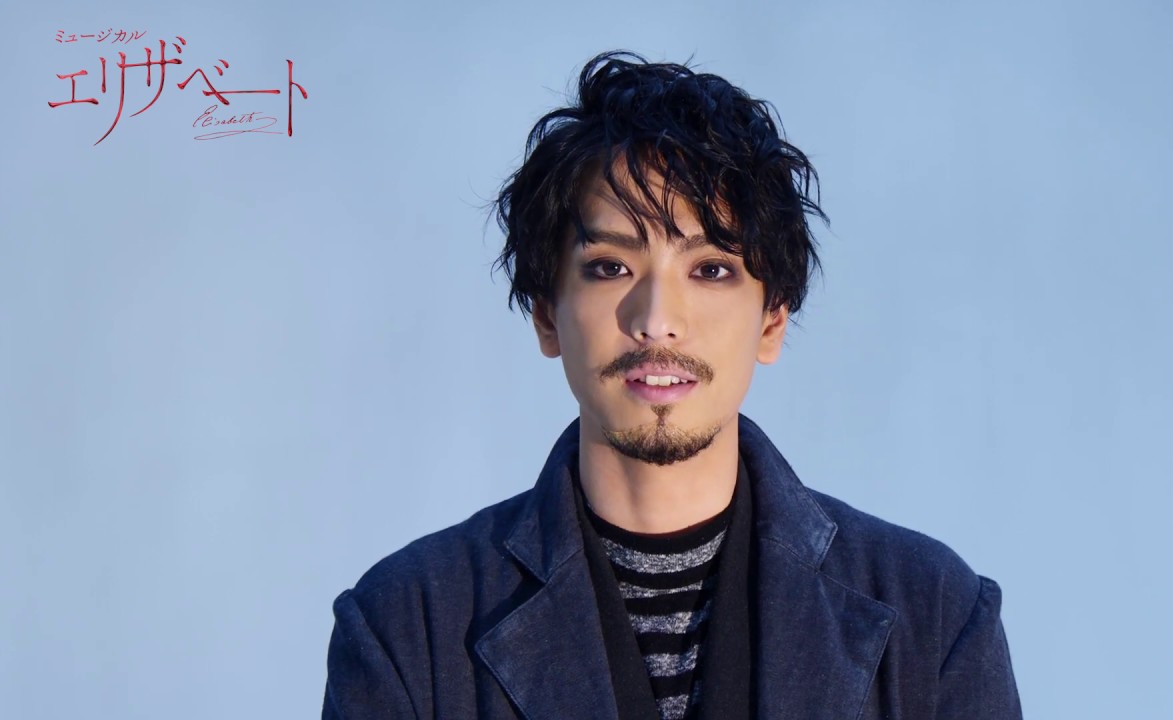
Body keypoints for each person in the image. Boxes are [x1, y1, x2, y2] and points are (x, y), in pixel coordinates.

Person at [322, 50, 1021, 720]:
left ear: (772, 320)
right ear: (547, 314)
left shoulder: (935, 615)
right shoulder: (404, 626)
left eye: (711, 269)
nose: (657, 321)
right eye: (610, 267)